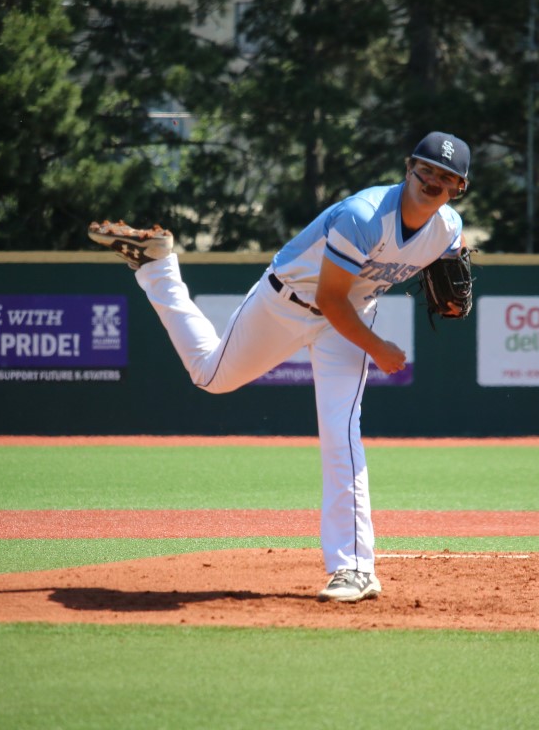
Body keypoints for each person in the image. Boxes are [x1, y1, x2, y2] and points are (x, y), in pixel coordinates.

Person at [88, 132, 471, 602]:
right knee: (210, 377)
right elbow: (331, 299)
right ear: (408, 168)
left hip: (349, 318)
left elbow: (451, 253)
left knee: (341, 431)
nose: (433, 181)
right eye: (426, 169)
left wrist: (451, 285)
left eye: (446, 177)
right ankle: (158, 268)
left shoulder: (448, 227)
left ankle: (354, 568)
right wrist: (378, 348)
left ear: (459, 188)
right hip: (285, 303)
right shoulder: (364, 216)